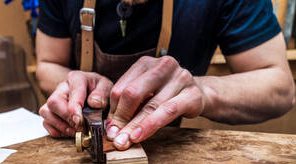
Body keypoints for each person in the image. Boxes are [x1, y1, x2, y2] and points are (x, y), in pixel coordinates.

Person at [37, 0, 295, 151]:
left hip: (167, 151)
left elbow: (280, 86)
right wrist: (71, 86)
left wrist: (201, 92)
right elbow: (48, 64)